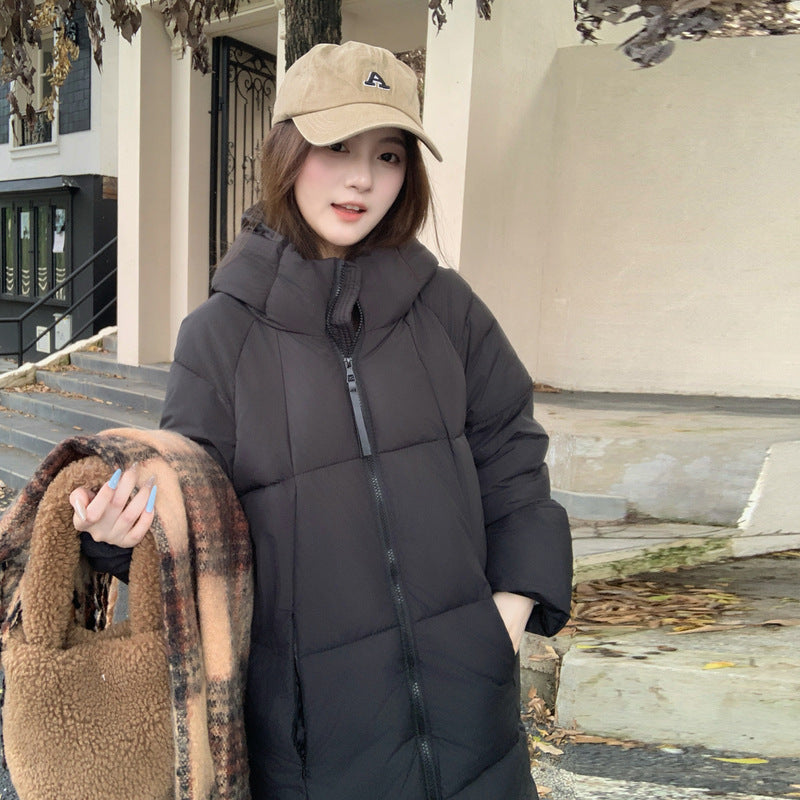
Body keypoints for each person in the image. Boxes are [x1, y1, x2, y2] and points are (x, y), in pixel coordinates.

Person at [71, 40, 573, 800]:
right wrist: (115, 538)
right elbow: (193, 518)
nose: (362, 178)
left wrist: (502, 621)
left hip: (475, 720)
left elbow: (512, 455)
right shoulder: (219, 336)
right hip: (313, 745)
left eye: (389, 155)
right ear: (287, 151)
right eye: (337, 146)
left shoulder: (448, 308)